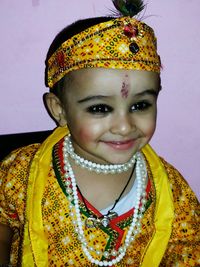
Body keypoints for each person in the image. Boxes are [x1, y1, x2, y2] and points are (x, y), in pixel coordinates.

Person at [0, 0, 199, 266]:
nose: (124, 126)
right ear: (59, 109)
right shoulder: (21, 171)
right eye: (100, 108)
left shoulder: (171, 190)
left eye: (140, 105)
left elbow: (187, 251)